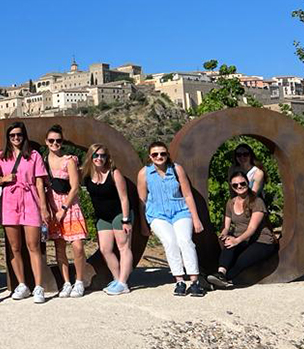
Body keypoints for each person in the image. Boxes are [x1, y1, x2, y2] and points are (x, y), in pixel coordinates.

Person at [137, 141, 206, 297]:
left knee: (185, 241)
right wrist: (143, 224)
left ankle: (194, 281)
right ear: (150, 156)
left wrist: (196, 218)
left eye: (162, 153)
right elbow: (142, 200)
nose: (159, 157)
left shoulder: (176, 169)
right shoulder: (144, 173)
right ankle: (179, 280)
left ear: (167, 155)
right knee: (170, 242)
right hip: (157, 214)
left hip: (180, 211)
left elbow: (187, 194)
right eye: (155, 154)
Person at [0, 122, 51, 303]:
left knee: (33, 245)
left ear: (24, 136)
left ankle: (39, 286)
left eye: (19, 135)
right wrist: (3, 178)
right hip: (10, 202)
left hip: (30, 200)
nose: (16, 138)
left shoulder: (34, 156)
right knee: (14, 247)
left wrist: (44, 207)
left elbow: (40, 182)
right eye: (12, 136)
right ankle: (22, 284)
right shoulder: (0, 157)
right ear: (8, 138)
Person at [206, 169, 278, 289]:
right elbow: (226, 226)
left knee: (242, 260)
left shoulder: (257, 201)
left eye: (242, 183)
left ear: (247, 183)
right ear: (232, 187)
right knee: (229, 243)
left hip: (262, 241)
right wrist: (224, 233)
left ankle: (220, 281)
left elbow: (252, 228)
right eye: (235, 185)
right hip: (243, 240)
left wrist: (237, 240)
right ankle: (221, 273)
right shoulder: (231, 202)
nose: (239, 186)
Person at [43, 125, 89, 298]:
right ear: (46, 142)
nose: (55, 143)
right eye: (52, 140)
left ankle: (79, 281)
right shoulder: (44, 160)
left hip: (68, 206)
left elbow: (75, 187)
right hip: (52, 206)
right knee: (59, 246)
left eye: (58, 140)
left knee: (77, 246)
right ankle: (66, 282)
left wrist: (63, 209)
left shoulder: (69, 160)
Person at [82, 144, 134, 295]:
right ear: (90, 157)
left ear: (107, 157)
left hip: (119, 214)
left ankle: (123, 283)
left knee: (123, 247)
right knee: (105, 249)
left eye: (102, 155)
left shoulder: (114, 174)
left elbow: (124, 198)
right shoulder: (86, 176)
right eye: (96, 155)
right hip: (102, 217)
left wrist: (126, 219)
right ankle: (117, 279)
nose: (99, 158)